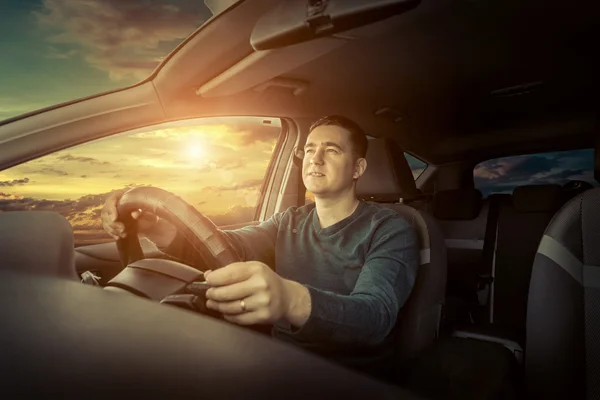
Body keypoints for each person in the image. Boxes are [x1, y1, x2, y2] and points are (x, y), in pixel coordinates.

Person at [101, 115, 418, 379]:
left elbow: (375, 316)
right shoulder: (289, 220)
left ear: (358, 169)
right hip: (275, 360)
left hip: (347, 378)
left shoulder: (391, 229)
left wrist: (289, 299)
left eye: (332, 150)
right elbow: (228, 248)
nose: (315, 159)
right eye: (309, 149)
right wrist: (156, 227)